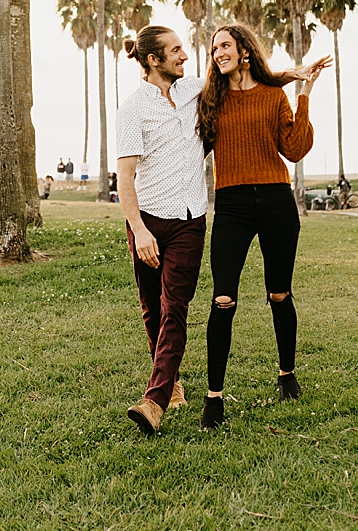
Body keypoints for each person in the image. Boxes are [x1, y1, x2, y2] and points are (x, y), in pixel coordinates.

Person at [197, 22, 327, 430]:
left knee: (279, 293)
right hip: (232, 205)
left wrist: (302, 93)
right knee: (223, 299)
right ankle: (214, 398)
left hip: (275, 200)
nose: (218, 53)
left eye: (225, 46)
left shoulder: (273, 96)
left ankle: (287, 374)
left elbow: (294, 148)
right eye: (214, 48)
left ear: (245, 51)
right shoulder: (209, 100)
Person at [115, 26, 207, 436]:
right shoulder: (133, 109)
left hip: (190, 220)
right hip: (148, 222)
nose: (184, 56)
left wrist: (292, 75)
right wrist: (139, 231)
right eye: (175, 50)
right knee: (153, 309)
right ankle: (172, 385)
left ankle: (154, 401)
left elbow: (239, 79)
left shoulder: (192, 91)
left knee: (175, 307)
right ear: (153, 60)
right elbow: (126, 177)